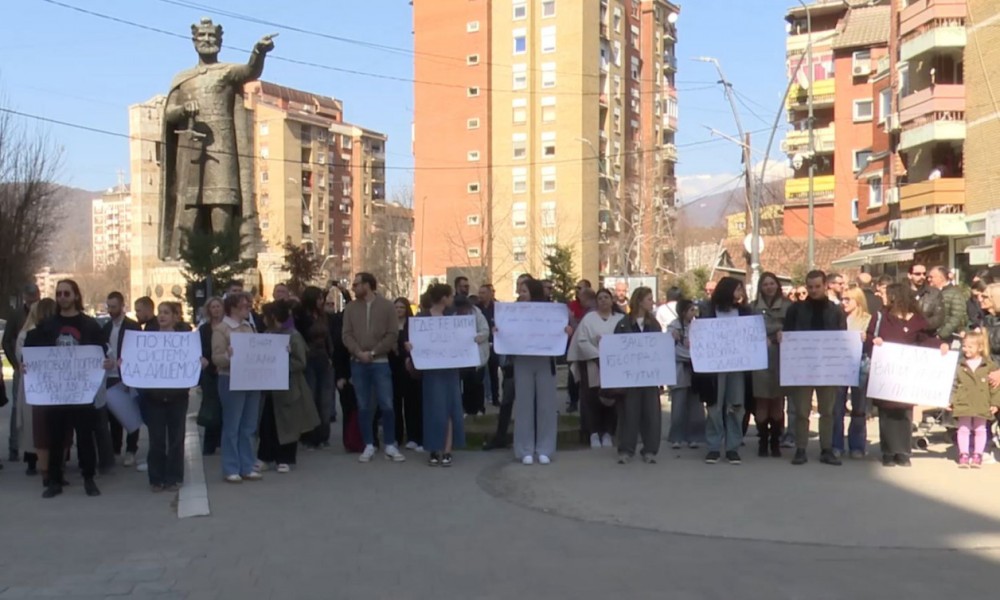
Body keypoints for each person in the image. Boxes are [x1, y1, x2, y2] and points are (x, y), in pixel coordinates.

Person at [26, 280, 111, 498]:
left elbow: (103, 351)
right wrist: (26, 363)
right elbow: (32, 350)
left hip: (82, 392)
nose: (62, 297)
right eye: (58, 293)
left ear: (75, 296)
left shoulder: (90, 325)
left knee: (85, 437)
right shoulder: (47, 325)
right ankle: (54, 481)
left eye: (66, 293)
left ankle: (89, 478)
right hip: (56, 393)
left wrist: (106, 362)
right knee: (55, 438)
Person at [867, 283, 948, 467]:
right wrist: (874, 341)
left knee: (904, 414)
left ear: (897, 297)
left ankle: (902, 451)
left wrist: (940, 346)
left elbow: (925, 340)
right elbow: (869, 336)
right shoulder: (882, 317)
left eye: (887, 294)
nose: (884, 297)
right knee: (886, 413)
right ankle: (887, 451)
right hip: (887, 374)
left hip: (906, 376)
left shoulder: (917, 320)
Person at [781, 270, 847, 466]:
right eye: (810, 287)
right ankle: (801, 449)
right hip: (802, 368)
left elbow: (842, 337)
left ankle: (826, 449)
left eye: (817, 286)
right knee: (802, 411)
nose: (813, 290)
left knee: (827, 411)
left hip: (827, 368)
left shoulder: (836, 310)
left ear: (825, 285)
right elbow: (788, 334)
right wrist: (781, 337)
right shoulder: (795, 309)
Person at [130, 301, 198, 492]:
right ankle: (156, 478)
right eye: (160, 312)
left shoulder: (185, 340)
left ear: (175, 316)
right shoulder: (148, 339)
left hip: (177, 397)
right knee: (157, 440)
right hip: (155, 397)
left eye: (166, 312)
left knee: (176, 439)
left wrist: (200, 361)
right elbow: (138, 361)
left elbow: (193, 361)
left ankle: (174, 477)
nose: (162, 316)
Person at [342, 272, 405, 463]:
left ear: (368, 285)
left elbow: (392, 334)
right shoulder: (351, 308)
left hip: (380, 362)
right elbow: (346, 334)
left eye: (356, 284)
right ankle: (368, 444)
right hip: (358, 362)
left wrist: (374, 352)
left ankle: (390, 444)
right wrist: (358, 352)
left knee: (387, 404)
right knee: (363, 405)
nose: (353, 288)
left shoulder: (386, 306)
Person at [409, 284, 474, 467]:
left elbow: (463, 337)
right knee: (433, 409)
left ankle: (447, 449)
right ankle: (433, 448)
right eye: (450, 296)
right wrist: (410, 346)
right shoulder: (422, 318)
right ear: (444, 298)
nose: (452, 299)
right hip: (431, 370)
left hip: (450, 368)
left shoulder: (453, 316)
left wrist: (472, 339)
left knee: (451, 409)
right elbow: (414, 340)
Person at [508, 277, 571, 465]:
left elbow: (561, 328)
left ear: (533, 292)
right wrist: (499, 330)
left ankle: (545, 448)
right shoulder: (512, 312)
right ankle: (524, 449)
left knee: (546, 406)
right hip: (523, 361)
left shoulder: (551, 311)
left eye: (524, 291)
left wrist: (566, 331)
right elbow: (507, 331)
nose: (521, 294)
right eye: (519, 291)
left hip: (545, 360)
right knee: (524, 406)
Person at [256, 300, 320, 474]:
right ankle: (265, 456)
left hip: (288, 387)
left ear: (273, 317)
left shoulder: (293, 335)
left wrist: (281, 364)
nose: (263, 319)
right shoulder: (265, 335)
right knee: (267, 424)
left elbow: (300, 362)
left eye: (266, 315)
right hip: (269, 389)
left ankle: (285, 458)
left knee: (288, 424)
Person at [700, 277, 752, 465]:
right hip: (714, 368)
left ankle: (732, 447)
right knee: (714, 406)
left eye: (741, 290)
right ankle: (714, 447)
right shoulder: (708, 311)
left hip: (738, 367)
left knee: (736, 406)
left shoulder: (746, 312)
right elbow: (699, 333)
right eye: (737, 290)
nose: (740, 294)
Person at [212, 292, 263, 483]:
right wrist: (228, 356)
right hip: (230, 379)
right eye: (244, 305)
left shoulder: (248, 326)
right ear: (233, 307)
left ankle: (247, 466)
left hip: (251, 379)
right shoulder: (222, 329)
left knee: (248, 426)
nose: (248, 308)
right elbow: (216, 358)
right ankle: (231, 467)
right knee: (232, 425)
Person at [567, 288, 623, 449]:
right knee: (591, 399)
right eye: (600, 298)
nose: (603, 300)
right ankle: (593, 433)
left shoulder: (621, 319)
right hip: (592, 364)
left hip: (615, 366)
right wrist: (598, 355)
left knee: (612, 399)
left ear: (612, 300)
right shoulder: (589, 319)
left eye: (606, 297)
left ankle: (608, 433)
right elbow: (581, 341)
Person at [613, 287, 662, 464]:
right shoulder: (624, 323)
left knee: (651, 414)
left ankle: (650, 450)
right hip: (630, 377)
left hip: (649, 376)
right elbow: (617, 348)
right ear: (639, 301)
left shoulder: (654, 324)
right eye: (649, 299)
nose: (652, 302)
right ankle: (626, 450)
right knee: (629, 414)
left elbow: (659, 348)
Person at [14, 298, 57, 477]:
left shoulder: (28, 333)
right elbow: (21, 358)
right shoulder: (28, 334)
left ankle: (39, 462)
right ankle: (40, 463)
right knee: (35, 425)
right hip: (34, 383)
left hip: (43, 383)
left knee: (37, 425)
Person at [751, 272, 792, 458]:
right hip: (759, 359)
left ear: (777, 285)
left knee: (777, 401)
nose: (769, 287)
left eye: (772, 283)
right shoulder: (752, 308)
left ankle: (776, 441)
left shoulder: (788, 306)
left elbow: (794, 327)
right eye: (765, 284)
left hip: (781, 357)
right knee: (761, 401)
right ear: (761, 287)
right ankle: (762, 441)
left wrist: (784, 333)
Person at [101, 291, 142, 466]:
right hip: (111, 376)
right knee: (113, 414)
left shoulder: (132, 327)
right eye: (109, 307)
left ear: (122, 306)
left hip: (129, 375)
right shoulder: (106, 327)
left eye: (114, 307)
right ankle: (115, 447)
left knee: (131, 414)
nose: (110, 310)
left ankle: (131, 449)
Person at [2, 282, 40, 464]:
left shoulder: (43, 313)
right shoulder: (16, 315)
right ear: (25, 297)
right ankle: (14, 447)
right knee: (18, 408)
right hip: (21, 368)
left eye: (35, 298)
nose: (33, 301)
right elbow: (7, 340)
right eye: (30, 298)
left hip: (40, 369)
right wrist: (15, 364)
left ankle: (34, 449)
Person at [950, 331, 1000, 469]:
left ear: (979, 348)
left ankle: (978, 454)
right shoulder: (960, 365)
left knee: (980, 429)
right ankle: (964, 454)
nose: (966, 349)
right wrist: (951, 400)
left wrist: (996, 403)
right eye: (964, 346)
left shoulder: (988, 366)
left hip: (982, 402)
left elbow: (995, 387)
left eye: (970, 347)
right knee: (963, 429)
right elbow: (953, 384)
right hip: (963, 402)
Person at [835, 287, 872, 459]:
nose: (844, 303)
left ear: (858, 300)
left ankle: (857, 445)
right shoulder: (837, 318)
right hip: (840, 363)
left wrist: (868, 339)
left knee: (858, 407)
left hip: (860, 362)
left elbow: (875, 340)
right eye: (842, 299)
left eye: (848, 299)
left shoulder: (868, 320)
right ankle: (836, 444)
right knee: (837, 406)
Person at [295, 286, 334, 449]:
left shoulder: (323, 316)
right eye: (318, 298)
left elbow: (328, 338)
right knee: (310, 397)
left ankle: (323, 435)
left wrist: (331, 356)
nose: (321, 301)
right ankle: (309, 436)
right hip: (308, 359)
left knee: (324, 398)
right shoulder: (301, 316)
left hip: (323, 359)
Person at [667, 299, 705, 449]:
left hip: (695, 372)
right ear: (683, 312)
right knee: (678, 406)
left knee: (696, 406)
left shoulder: (698, 327)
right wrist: (690, 355)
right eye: (690, 310)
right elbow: (672, 351)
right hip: (680, 371)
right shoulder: (673, 328)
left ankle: (695, 436)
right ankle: (676, 437)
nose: (693, 313)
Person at [390, 298, 423, 451]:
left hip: (410, 368)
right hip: (393, 368)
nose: (399, 310)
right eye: (396, 307)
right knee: (395, 404)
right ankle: (396, 436)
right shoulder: (389, 326)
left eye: (402, 307)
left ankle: (413, 436)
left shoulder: (413, 325)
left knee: (412, 404)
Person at [197, 297, 224, 455]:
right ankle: (209, 445)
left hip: (225, 370)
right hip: (209, 372)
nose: (216, 310)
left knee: (224, 408)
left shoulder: (228, 327)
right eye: (213, 307)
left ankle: (222, 441)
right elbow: (200, 348)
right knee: (210, 407)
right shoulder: (204, 329)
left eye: (218, 306)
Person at [456, 294, 489, 416]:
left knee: (477, 382)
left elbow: (485, 330)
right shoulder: (455, 316)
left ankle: (479, 407)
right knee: (465, 383)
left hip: (477, 353)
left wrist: (477, 337)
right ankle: (467, 407)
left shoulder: (477, 315)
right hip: (463, 356)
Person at [928, 266, 967, 347]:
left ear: (941, 278)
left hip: (947, 338)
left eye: (931, 277)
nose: (929, 279)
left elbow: (957, 317)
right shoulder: (931, 293)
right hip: (931, 335)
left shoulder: (955, 293)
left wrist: (941, 334)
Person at [478, 284, 501, 407]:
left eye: (483, 293)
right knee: (481, 374)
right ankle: (481, 402)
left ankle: (495, 398)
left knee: (494, 373)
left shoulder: (497, 307)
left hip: (494, 344)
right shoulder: (476, 308)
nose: (480, 295)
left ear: (489, 294)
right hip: (481, 345)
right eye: (479, 293)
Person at [908, 264, 944, 335]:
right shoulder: (902, 292)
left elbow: (938, 318)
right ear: (909, 275)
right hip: (906, 335)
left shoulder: (934, 293)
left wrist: (919, 325)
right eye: (918, 274)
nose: (922, 277)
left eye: (924, 274)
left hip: (926, 336)